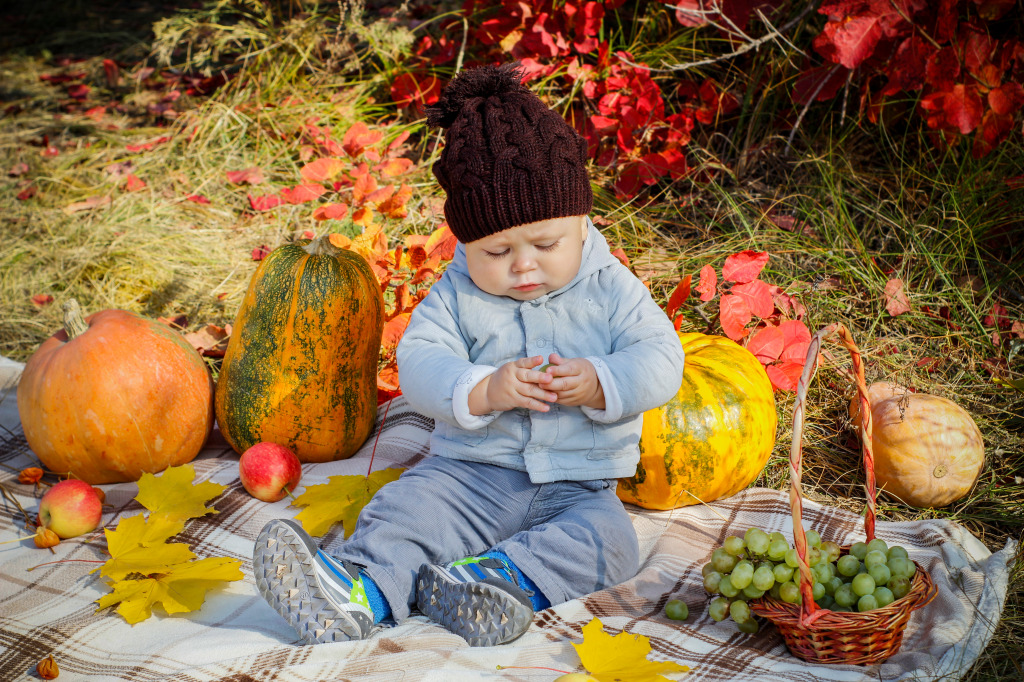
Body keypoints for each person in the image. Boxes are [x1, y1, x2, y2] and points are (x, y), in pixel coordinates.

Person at [252, 61, 686, 647]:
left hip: (580, 487)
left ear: (582, 223)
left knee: (610, 544)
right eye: (498, 251)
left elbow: (662, 358)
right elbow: (420, 362)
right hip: (468, 476)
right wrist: (481, 389)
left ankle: (492, 583)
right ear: (465, 242)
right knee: (408, 511)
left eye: (545, 244)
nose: (523, 265)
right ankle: (357, 590)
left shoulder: (610, 287)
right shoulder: (457, 294)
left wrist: (602, 380)